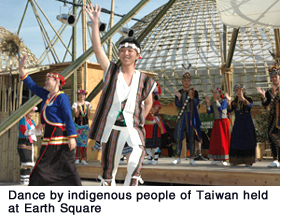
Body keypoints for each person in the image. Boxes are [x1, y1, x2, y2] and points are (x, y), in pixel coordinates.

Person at [86, 3, 156, 186]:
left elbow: (148, 103)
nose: (126, 53)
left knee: (135, 162)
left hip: (133, 128)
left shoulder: (144, 79)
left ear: (137, 55)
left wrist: (139, 119)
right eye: (123, 50)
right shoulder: (111, 71)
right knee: (109, 170)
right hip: (112, 129)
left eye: (130, 50)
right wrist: (95, 24)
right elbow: (97, 49)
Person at [19, 54, 82, 186]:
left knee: (66, 167)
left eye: (49, 80)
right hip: (49, 136)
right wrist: (21, 69)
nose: (46, 82)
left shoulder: (61, 97)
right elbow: (32, 85)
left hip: (61, 137)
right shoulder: (46, 95)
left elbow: (68, 117)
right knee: (44, 166)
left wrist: (72, 136)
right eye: (46, 79)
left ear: (57, 82)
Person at [172, 67, 202, 165]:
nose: (186, 82)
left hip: (191, 115)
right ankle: (177, 157)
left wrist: (192, 97)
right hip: (182, 116)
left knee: (191, 135)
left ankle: (192, 158)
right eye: (184, 80)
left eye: (188, 80)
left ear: (190, 82)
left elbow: (196, 103)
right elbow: (177, 105)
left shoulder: (194, 92)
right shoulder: (179, 92)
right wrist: (179, 97)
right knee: (178, 136)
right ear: (182, 81)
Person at [225, 84, 256, 166]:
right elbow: (229, 110)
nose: (239, 92)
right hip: (238, 123)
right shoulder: (234, 101)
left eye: (240, 90)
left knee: (248, 140)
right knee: (236, 141)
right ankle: (236, 160)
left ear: (243, 91)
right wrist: (228, 102)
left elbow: (250, 106)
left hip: (247, 123)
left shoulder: (249, 99)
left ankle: (249, 161)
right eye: (237, 91)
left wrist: (243, 99)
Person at [257, 64, 280, 168]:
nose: (274, 79)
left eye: (276, 76)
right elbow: (265, 104)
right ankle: (276, 159)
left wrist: (277, 95)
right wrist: (263, 96)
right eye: (272, 77)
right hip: (273, 117)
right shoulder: (269, 91)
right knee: (271, 135)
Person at [205, 87, 230, 165]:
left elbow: (222, 109)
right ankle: (216, 158)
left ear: (220, 94)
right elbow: (209, 112)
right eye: (214, 93)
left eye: (216, 92)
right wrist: (208, 104)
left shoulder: (224, 101)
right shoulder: (213, 102)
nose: (214, 94)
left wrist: (216, 102)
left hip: (223, 122)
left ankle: (224, 159)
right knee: (216, 140)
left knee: (223, 140)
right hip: (216, 122)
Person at [17, 107, 41, 185]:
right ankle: (23, 181)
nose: (32, 114)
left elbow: (35, 133)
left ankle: (26, 181)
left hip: (29, 143)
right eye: (30, 112)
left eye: (33, 112)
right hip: (23, 142)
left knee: (29, 164)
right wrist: (35, 130)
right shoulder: (22, 121)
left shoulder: (32, 122)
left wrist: (39, 129)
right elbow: (25, 132)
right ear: (26, 112)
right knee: (26, 162)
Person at [144, 84, 166, 165]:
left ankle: (156, 159)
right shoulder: (145, 102)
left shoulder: (156, 102)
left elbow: (153, 111)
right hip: (146, 125)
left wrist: (147, 104)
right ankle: (149, 158)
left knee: (155, 143)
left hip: (154, 125)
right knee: (147, 143)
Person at [72, 90, 92, 165]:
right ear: (78, 95)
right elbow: (76, 115)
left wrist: (88, 108)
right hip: (77, 125)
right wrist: (78, 109)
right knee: (78, 142)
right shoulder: (75, 104)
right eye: (80, 95)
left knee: (84, 142)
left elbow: (88, 115)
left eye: (83, 95)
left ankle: (83, 158)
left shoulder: (88, 104)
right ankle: (77, 158)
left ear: (85, 96)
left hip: (85, 124)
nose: (81, 96)